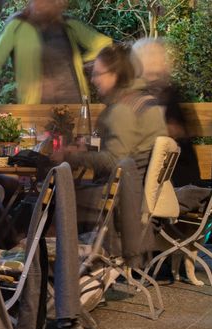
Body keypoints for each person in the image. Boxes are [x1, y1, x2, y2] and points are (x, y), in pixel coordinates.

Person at [52, 43, 167, 267]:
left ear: (115, 75)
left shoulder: (123, 109)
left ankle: (58, 266)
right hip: (140, 191)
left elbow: (115, 160)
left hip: (121, 197)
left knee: (57, 197)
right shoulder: (144, 101)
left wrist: (70, 157)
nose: (93, 79)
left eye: (98, 74)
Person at [0, 0, 111, 106]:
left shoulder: (68, 24)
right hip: (37, 110)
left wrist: (81, 62)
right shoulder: (17, 26)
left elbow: (104, 44)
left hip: (74, 106)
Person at [132, 37, 202, 187]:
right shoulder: (133, 95)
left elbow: (189, 131)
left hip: (174, 173)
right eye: (150, 54)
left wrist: (173, 130)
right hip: (146, 170)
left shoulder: (171, 93)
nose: (157, 59)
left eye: (158, 54)